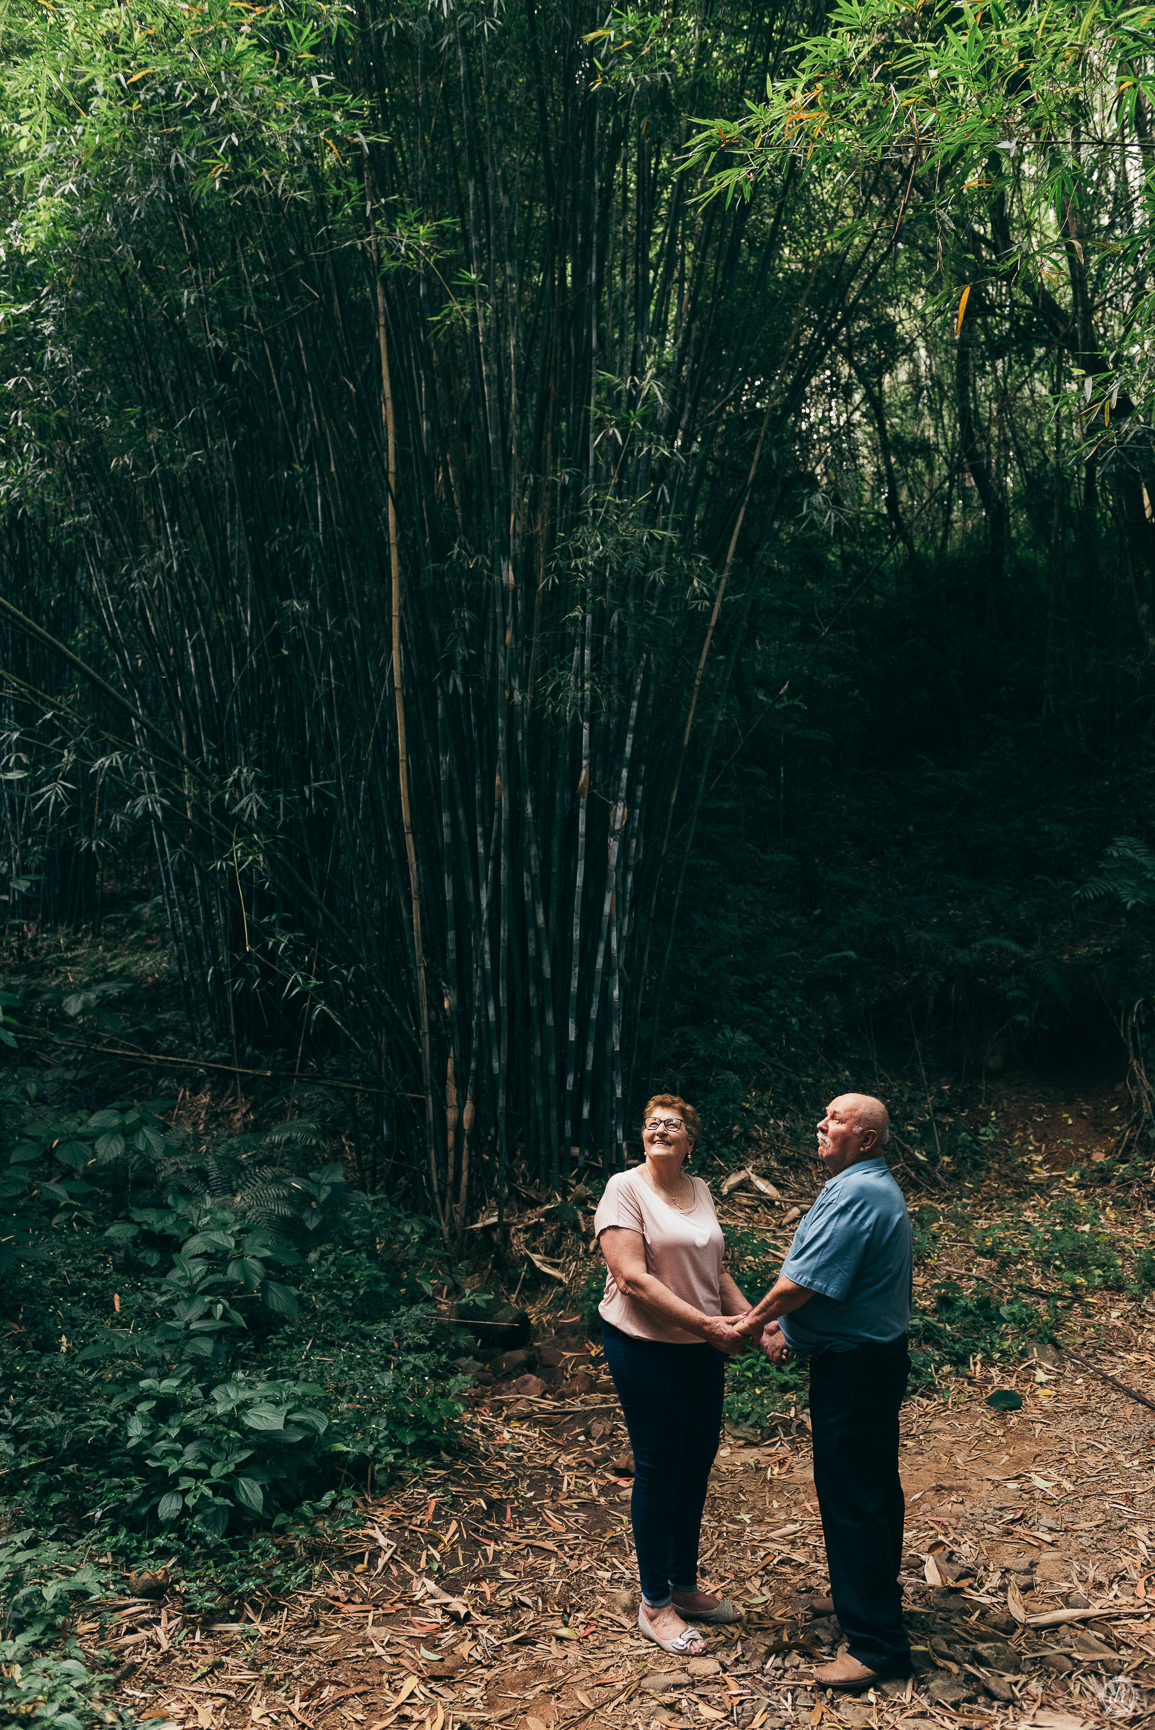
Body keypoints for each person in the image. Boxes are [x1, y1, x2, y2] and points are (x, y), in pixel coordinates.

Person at [733, 1093, 913, 1691]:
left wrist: (754, 1323)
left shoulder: (859, 1192)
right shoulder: (862, 1185)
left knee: (854, 1496)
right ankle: (862, 1595)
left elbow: (802, 1284)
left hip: (857, 1368)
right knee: (868, 1488)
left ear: (866, 1139)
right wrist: (788, 1330)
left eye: (836, 1119)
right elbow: (837, 1285)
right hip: (866, 1361)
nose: (822, 1123)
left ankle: (878, 1645)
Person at [593, 1094, 750, 1656]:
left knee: (695, 1464)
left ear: (690, 1141)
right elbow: (632, 1279)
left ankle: (683, 1585)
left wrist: (756, 1323)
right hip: (645, 1345)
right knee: (660, 1470)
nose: (660, 1129)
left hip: (700, 1346)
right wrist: (709, 1326)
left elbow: (716, 1270)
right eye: (651, 1122)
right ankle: (654, 1602)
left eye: (672, 1124)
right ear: (642, 1136)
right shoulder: (624, 1188)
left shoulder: (700, 1189)